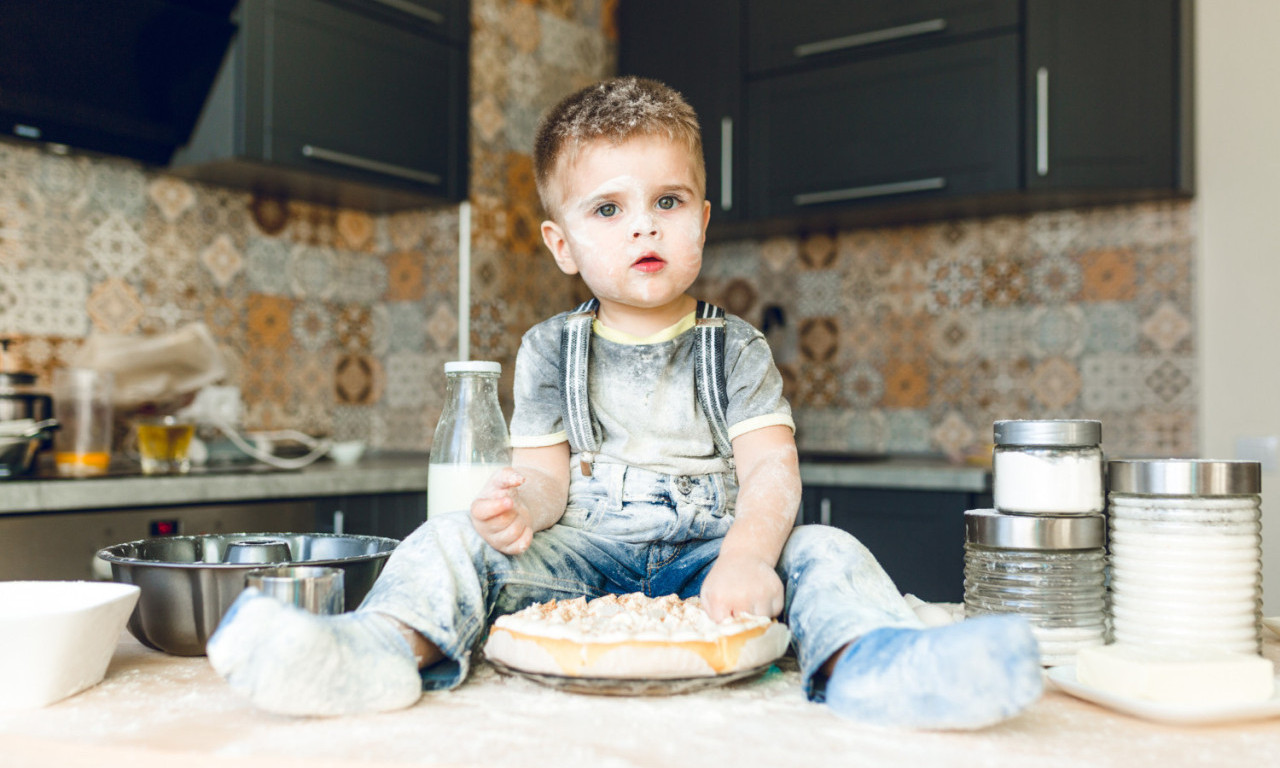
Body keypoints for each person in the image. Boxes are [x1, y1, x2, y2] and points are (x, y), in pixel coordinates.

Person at [207, 76, 1043, 729]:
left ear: (702, 221)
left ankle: (875, 664)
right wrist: (517, 507)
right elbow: (546, 481)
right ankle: (379, 651)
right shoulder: (546, 351)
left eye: (667, 203)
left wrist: (750, 557)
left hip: (710, 560)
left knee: (825, 545)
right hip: (585, 561)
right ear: (562, 245)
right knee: (449, 538)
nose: (644, 227)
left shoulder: (737, 348)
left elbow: (771, 473)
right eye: (609, 209)